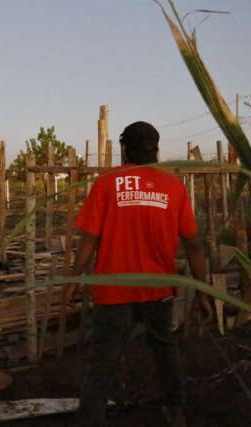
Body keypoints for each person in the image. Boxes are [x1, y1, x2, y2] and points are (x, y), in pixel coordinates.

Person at [71, 121, 207, 427]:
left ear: (124, 148)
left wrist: (73, 280)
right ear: (156, 148)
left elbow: (89, 240)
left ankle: (90, 420)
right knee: (164, 351)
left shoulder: (107, 184)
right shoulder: (173, 187)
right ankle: (176, 412)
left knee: (102, 362)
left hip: (113, 290)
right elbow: (195, 245)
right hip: (158, 290)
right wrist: (203, 287)